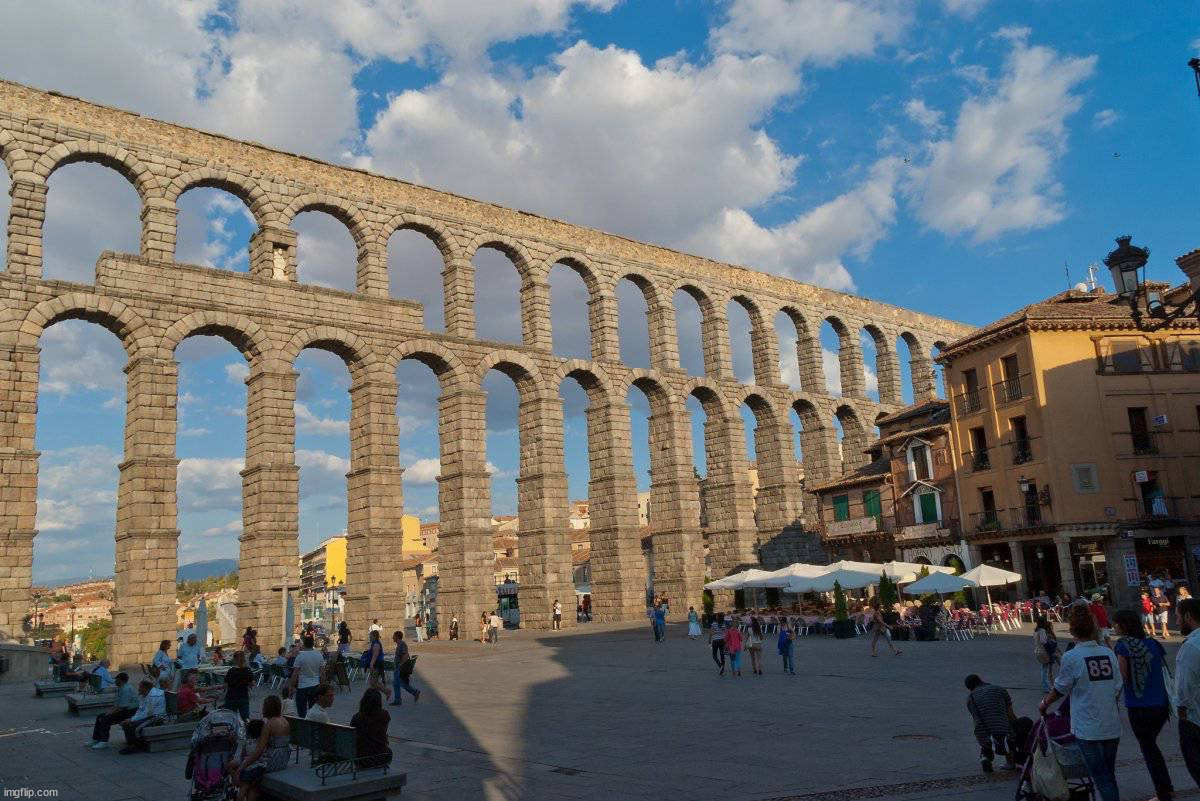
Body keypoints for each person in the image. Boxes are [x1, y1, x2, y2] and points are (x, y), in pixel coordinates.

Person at [1038, 605, 1123, 801]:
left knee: (1100, 777)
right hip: (1111, 724)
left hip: (1088, 727)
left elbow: (1060, 688)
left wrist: (1044, 703)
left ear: (1072, 630)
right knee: (1108, 775)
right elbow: (1117, 686)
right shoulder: (1108, 653)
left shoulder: (1072, 656)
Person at [1111, 608, 1174, 801]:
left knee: (1149, 749)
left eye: (1116, 623)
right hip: (1162, 705)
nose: (1114, 626)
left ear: (1122, 625)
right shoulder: (1153, 643)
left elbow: (1122, 676)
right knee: (1151, 746)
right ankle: (1165, 789)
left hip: (1140, 706)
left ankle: (1164, 792)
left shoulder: (1123, 646)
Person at [229, 695, 290, 801]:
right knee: (251, 780)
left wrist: (243, 765)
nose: (262, 709)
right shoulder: (284, 720)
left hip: (272, 759)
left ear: (268, 708)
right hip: (283, 758)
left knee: (237, 767)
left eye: (263, 706)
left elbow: (259, 751)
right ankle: (244, 786)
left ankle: (240, 786)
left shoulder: (269, 725)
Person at [964, 674, 1017, 772]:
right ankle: (1010, 762)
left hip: (983, 732)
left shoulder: (970, 698)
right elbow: (1010, 714)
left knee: (986, 742)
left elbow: (975, 718)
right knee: (1008, 738)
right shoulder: (1000, 690)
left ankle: (985, 757)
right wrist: (1015, 728)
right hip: (1002, 729)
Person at [1174, 597, 1200, 788]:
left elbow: (1184, 687)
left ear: (1188, 617)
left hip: (1195, 719)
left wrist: (1182, 712)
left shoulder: (1191, 646)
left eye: (1178, 617)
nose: (1176, 622)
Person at [88, 671, 140, 749]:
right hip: (123, 710)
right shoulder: (121, 688)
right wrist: (108, 712)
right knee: (100, 716)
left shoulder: (126, 689)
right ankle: (96, 739)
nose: (115, 681)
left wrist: (109, 714)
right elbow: (116, 704)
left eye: (116, 680)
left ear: (121, 680)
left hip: (129, 712)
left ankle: (103, 741)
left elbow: (122, 707)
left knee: (105, 719)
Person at [119, 678, 166, 754]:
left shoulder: (154, 696)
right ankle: (131, 744)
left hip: (156, 717)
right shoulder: (143, 695)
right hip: (149, 715)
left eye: (140, 687)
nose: (138, 689)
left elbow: (148, 713)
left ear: (145, 688)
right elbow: (140, 709)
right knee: (127, 724)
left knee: (133, 726)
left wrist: (132, 720)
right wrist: (132, 719)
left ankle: (136, 746)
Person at [351, 688, 393, 768]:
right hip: (380, 756)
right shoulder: (384, 715)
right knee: (389, 752)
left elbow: (353, 735)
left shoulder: (357, 717)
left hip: (360, 759)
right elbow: (384, 730)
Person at [289, 635, 326, 718]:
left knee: (302, 713)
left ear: (304, 644)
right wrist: (323, 686)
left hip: (302, 687)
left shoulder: (300, 657)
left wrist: (291, 688)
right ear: (313, 644)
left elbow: (295, 675)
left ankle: (303, 728)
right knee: (313, 711)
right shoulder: (319, 655)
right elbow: (323, 673)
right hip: (315, 686)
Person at [390, 630, 421, 706]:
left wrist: (400, 664)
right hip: (398, 667)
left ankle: (414, 692)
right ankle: (398, 699)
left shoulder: (402, 644)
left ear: (397, 636)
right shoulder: (399, 644)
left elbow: (406, 655)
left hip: (400, 667)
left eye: (394, 635)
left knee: (400, 683)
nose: (392, 637)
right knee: (396, 683)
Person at [222, 651, 255, 722]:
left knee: (230, 718)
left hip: (231, 697)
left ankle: (232, 732)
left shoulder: (231, 671)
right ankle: (247, 731)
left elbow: (225, 685)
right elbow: (253, 683)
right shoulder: (247, 670)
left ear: (234, 659)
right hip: (243, 696)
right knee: (246, 718)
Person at [1033, 616, 1060, 690]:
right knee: (1046, 669)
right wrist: (1049, 644)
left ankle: (1045, 685)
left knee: (1044, 668)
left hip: (1038, 651)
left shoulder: (1036, 631)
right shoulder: (1042, 630)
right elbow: (1043, 641)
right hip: (1044, 651)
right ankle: (1047, 686)